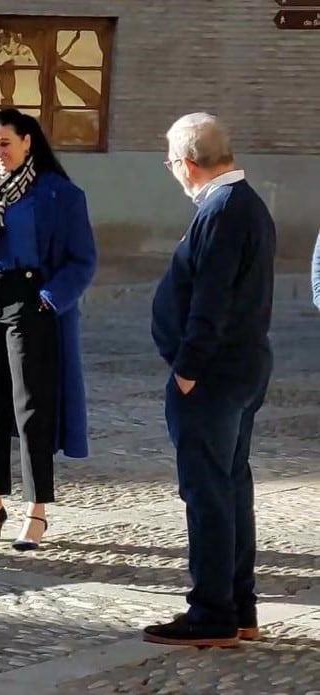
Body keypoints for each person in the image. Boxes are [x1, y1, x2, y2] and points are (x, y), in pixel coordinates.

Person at [144, 113, 274, 648]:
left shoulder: (222, 210)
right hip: (240, 368)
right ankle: (240, 607)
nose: (172, 170)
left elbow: (211, 298)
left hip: (213, 376)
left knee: (208, 494)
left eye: (170, 162)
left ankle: (212, 612)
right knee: (230, 486)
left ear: (186, 163)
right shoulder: (246, 203)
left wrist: (188, 370)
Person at [0, 108, 97, 551]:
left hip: (32, 301)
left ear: (28, 141)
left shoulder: (59, 193)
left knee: (32, 408)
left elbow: (82, 258)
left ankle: (36, 510)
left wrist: (49, 298)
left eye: (5, 143)